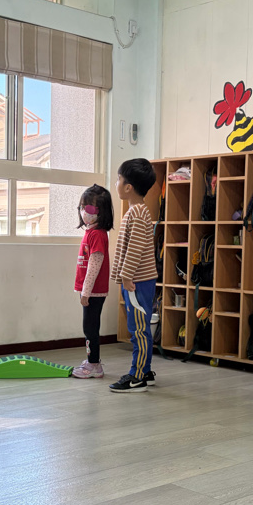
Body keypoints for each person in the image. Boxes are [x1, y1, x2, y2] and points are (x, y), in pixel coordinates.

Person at [110, 158, 158, 393]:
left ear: (128, 187)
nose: (116, 184)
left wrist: (127, 277)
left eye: (119, 179)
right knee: (139, 326)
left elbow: (136, 248)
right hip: (136, 281)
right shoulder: (136, 211)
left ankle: (137, 376)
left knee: (138, 328)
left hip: (137, 282)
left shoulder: (137, 213)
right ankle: (145, 371)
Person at [72, 184, 114, 379]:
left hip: (93, 291)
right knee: (89, 326)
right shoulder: (91, 232)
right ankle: (92, 360)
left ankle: (94, 364)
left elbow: (94, 266)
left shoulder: (97, 235)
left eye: (88, 208)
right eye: (82, 207)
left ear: (101, 211)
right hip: (90, 290)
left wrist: (86, 292)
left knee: (90, 328)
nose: (84, 212)